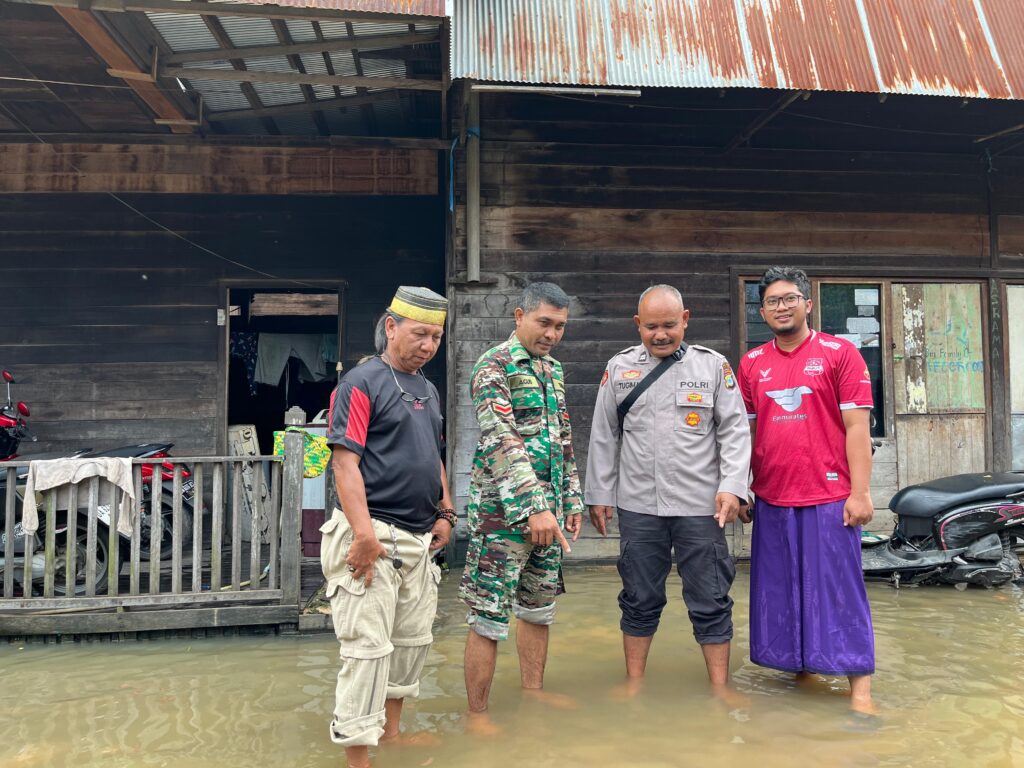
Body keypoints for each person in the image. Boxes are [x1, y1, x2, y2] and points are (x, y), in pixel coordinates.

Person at [585, 285, 750, 698]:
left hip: (701, 506)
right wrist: (599, 495)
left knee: (711, 595)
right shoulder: (619, 369)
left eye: (670, 325)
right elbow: (603, 435)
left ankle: (720, 689)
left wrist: (733, 487)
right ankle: (634, 683)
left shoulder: (712, 367)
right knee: (639, 596)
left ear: (686, 320)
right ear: (638, 325)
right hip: (639, 505)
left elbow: (735, 431)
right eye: (652, 326)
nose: (661, 335)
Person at [320, 286, 456, 768]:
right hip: (373, 534)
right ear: (391, 326)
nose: (428, 345)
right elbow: (344, 464)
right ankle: (359, 757)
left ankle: (392, 736)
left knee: (410, 644)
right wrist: (362, 536)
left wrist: (445, 510)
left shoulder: (428, 388)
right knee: (367, 652)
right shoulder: (362, 382)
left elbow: (431, 454)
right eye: (419, 334)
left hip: (420, 538)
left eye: (436, 337)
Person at [736, 266, 876, 714]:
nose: (782, 306)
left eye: (790, 298)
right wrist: (742, 489)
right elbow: (743, 435)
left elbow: (857, 428)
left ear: (808, 303)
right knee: (783, 593)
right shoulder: (752, 363)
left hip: (830, 496)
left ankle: (861, 693)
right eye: (773, 301)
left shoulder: (840, 353)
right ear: (762, 311)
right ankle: (804, 674)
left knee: (840, 590)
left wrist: (861, 492)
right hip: (773, 498)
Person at [459, 281, 585, 727]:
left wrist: (571, 499)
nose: (551, 334)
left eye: (560, 326)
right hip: (502, 516)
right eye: (544, 323)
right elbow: (501, 440)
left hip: (548, 515)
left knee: (539, 608)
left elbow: (563, 441)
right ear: (519, 316)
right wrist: (533, 506)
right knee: (488, 615)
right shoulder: (492, 366)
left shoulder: (553, 370)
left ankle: (533, 694)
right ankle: (478, 715)